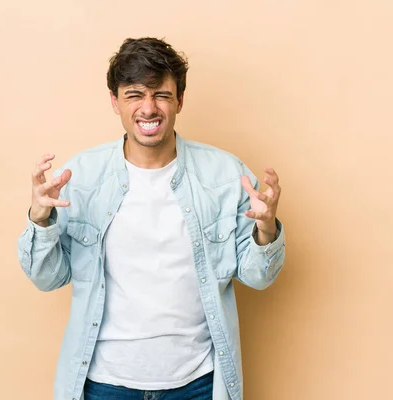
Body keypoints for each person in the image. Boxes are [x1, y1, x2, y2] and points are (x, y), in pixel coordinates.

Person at [16, 37, 286, 400]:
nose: (149, 108)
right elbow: (47, 279)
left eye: (161, 94)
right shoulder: (79, 176)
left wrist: (266, 231)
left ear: (179, 100)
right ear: (115, 101)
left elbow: (258, 277)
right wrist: (39, 219)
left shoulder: (226, 174)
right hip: (104, 384)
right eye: (134, 95)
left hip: (198, 383)